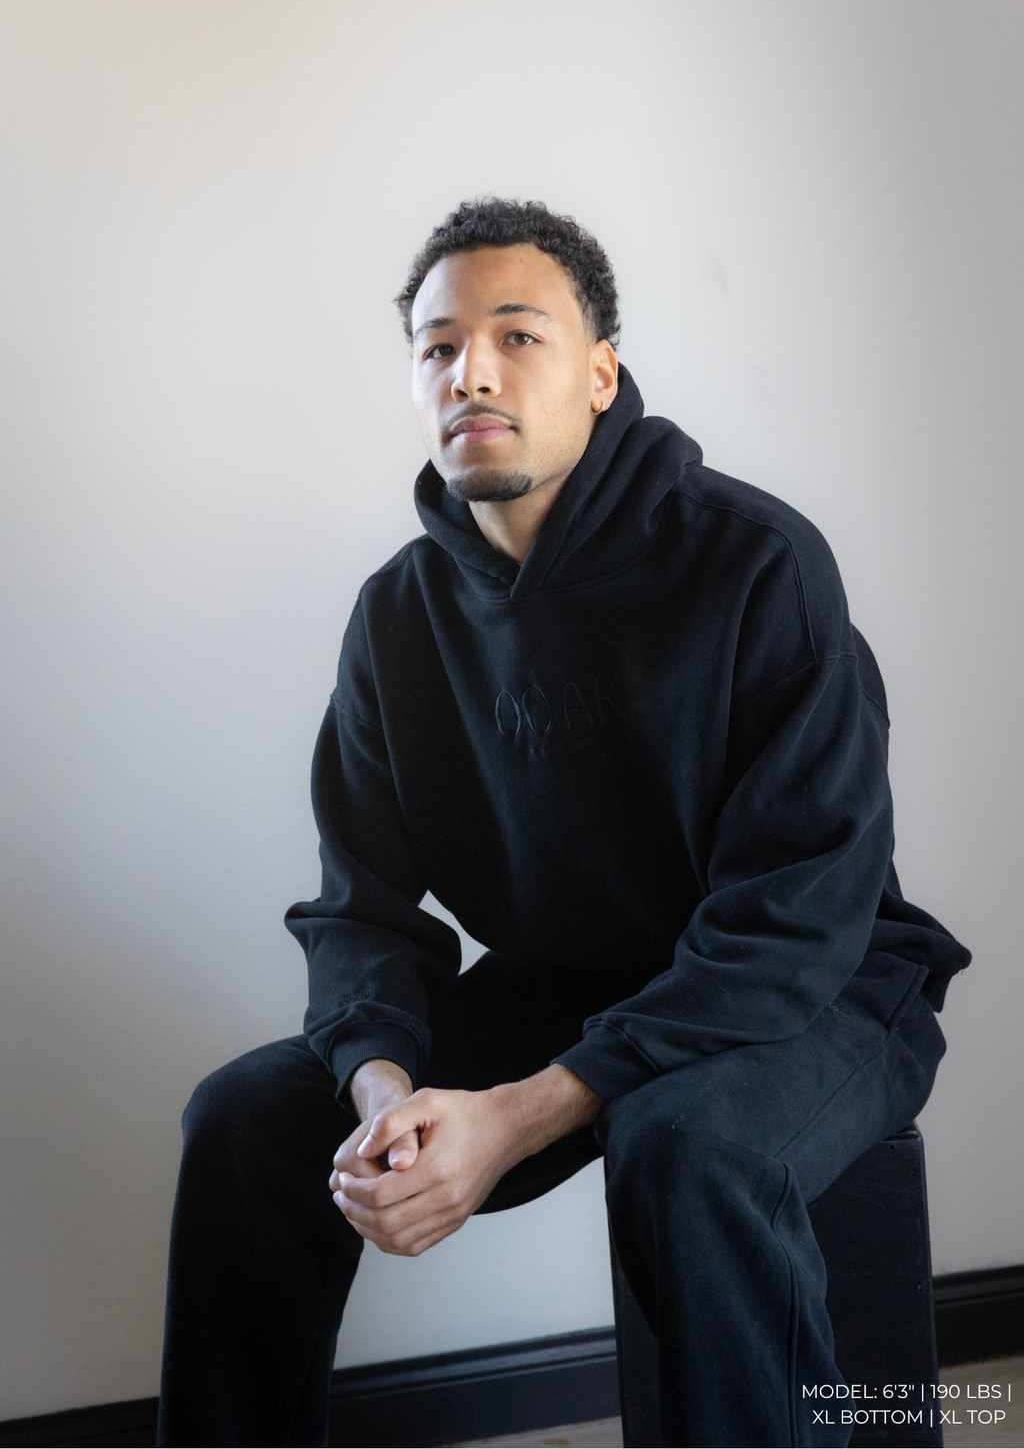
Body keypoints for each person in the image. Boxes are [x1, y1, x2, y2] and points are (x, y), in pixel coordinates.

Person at [156, 199, 970, 1449]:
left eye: (516, 335)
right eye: (435, 347)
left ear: (600, 375)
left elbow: (794, 912)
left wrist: (523, 1110)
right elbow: (357, 908)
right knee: (250, 1119)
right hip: (576, 984)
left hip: (824, 980)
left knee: (684, 1143)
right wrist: (385, 1091)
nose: (469, 368)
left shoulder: (756, 563)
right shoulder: (398, 618)